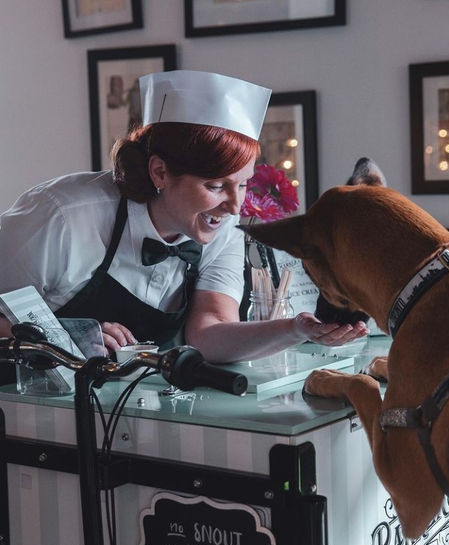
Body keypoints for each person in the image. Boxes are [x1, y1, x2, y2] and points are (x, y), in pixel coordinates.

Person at [0, 70, 368, 369]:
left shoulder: (221, 231)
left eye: (243, 184)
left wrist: (296, 329)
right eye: (215, 186)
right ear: (160, 172)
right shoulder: (62, 217)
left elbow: (209, 334)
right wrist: (63, 337)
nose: (235, 206)